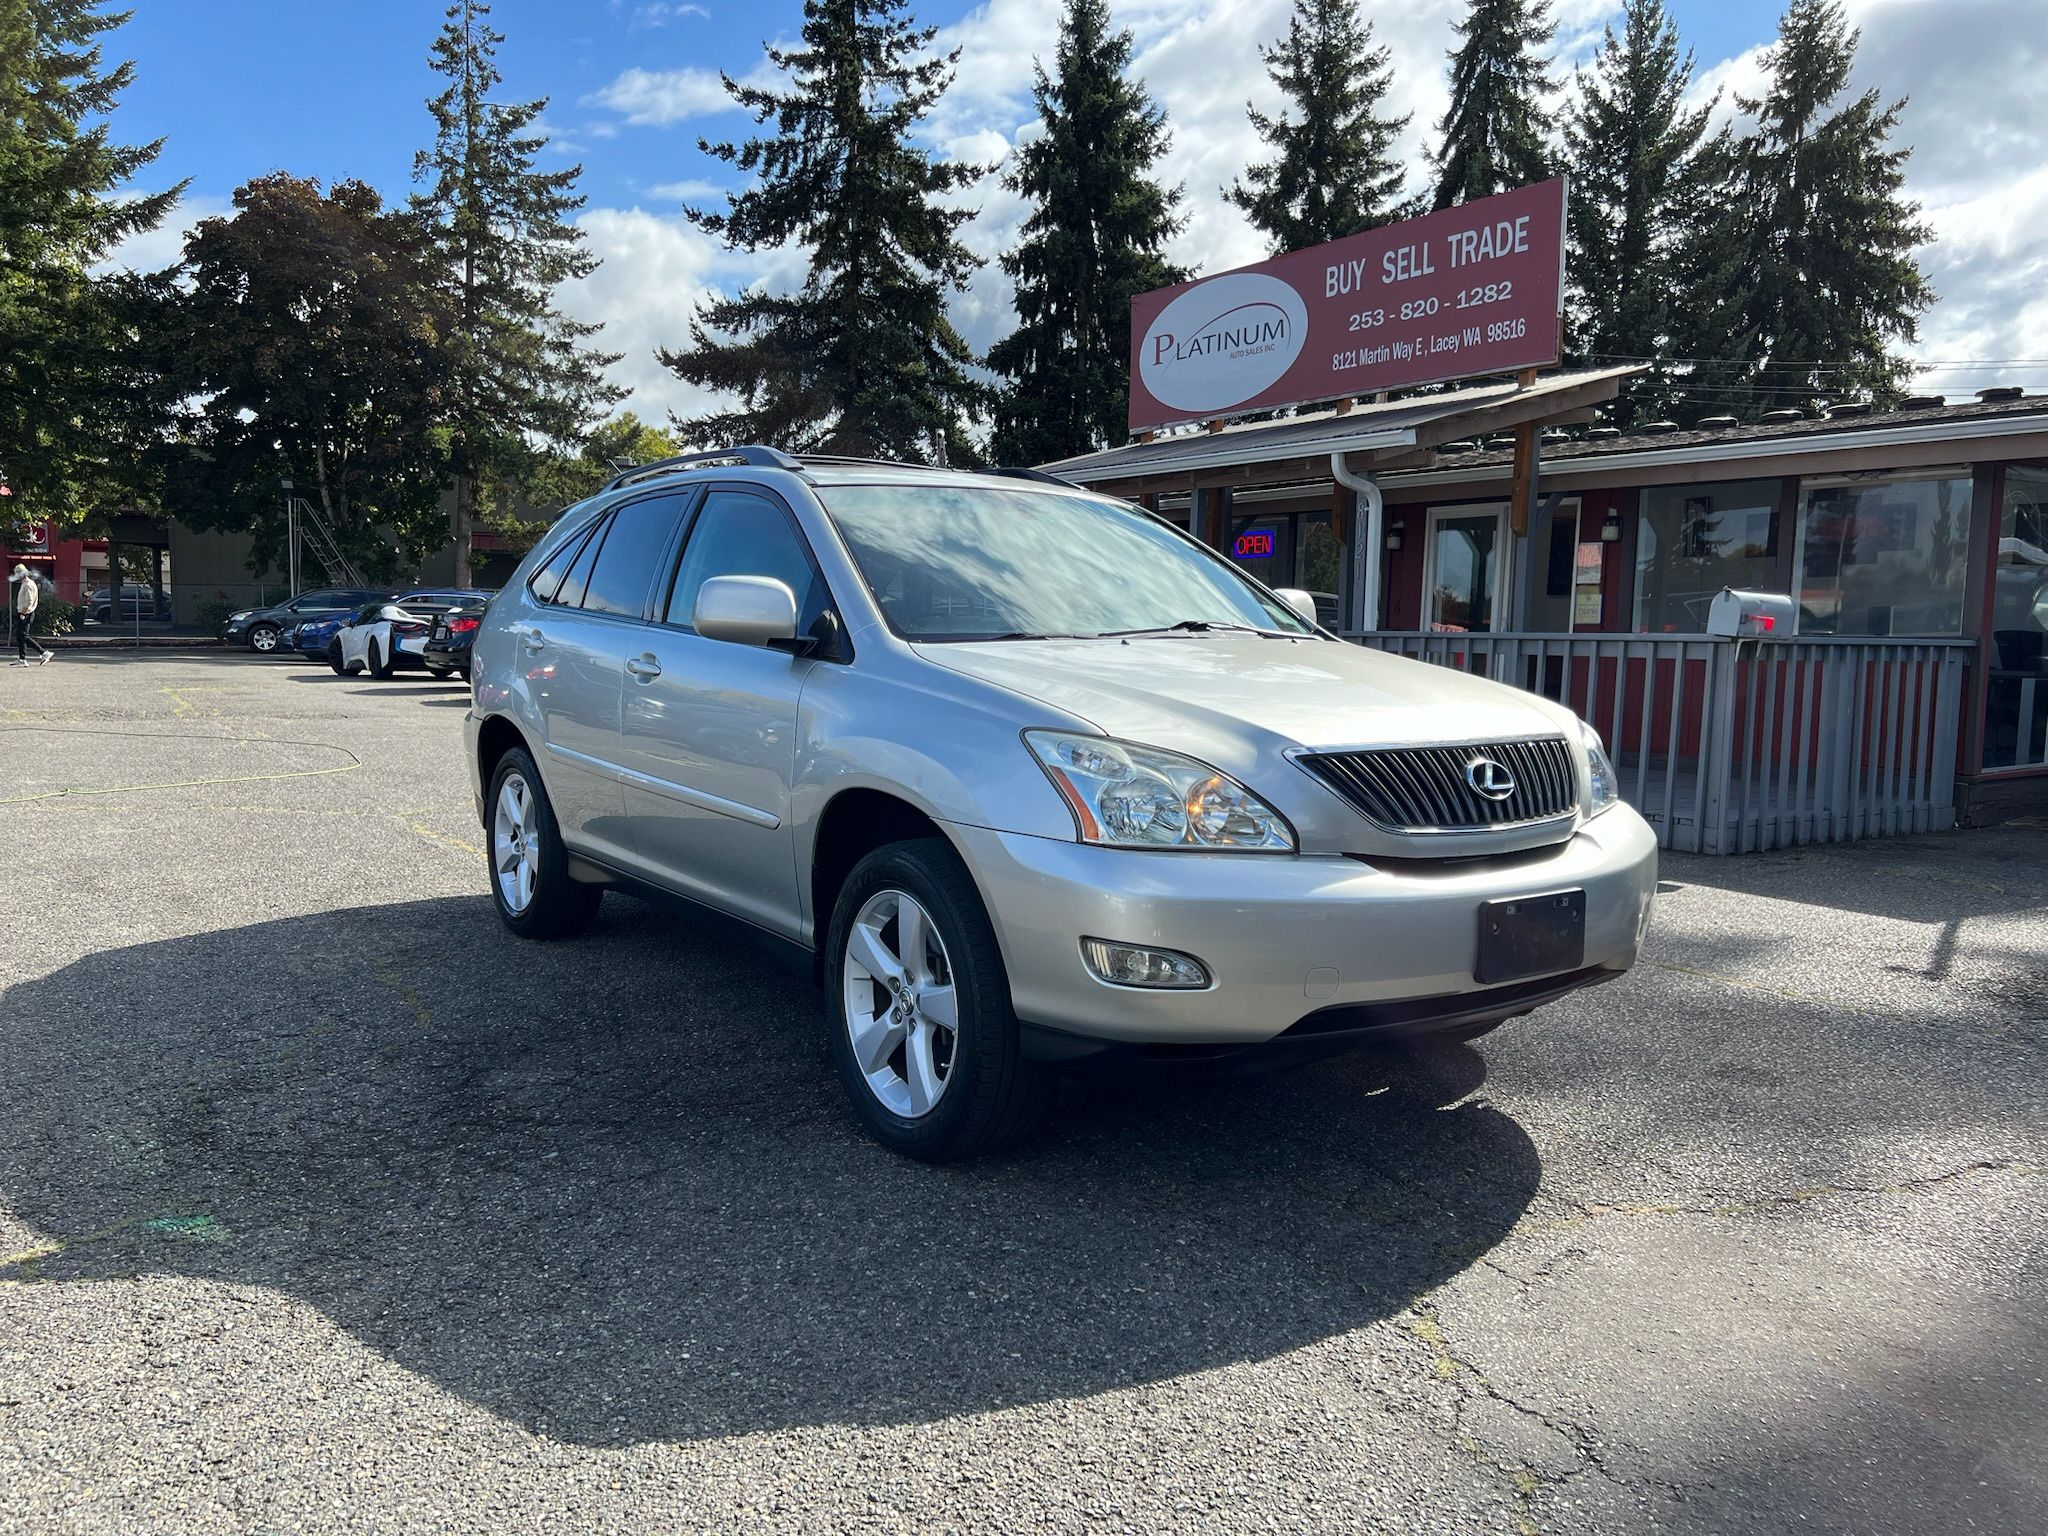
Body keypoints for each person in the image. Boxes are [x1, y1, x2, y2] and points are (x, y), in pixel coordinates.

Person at [11, 564, 53, 666]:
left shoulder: (28, 584)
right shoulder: (27, 583)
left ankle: (43, 653)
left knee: (23, 636)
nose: (16, 576)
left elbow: (29, 601)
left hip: (26, 613)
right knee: (20, 636)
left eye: (17, 573)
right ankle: (22, 659)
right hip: (25, 613)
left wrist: (23, 613)